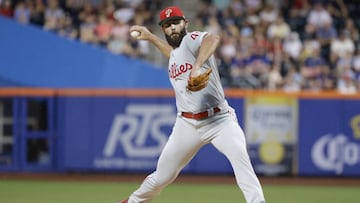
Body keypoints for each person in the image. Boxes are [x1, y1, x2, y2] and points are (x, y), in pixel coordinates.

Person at [118, 6, 265, 203]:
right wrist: (151, 37)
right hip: (186, 124)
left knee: (241, 161)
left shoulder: (191, 40)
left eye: (176, 23)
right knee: (162, 176)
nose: (172, 28)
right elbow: (172, 54)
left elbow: (212, 38)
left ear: (185, 23)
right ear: (164, 29)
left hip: (220, 120)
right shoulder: (177, 53)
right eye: (167, 25)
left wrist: (197, 66)